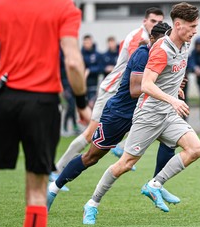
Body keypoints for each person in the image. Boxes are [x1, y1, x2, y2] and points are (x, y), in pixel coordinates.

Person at [0, 0, 90, 227]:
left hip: (4, 99)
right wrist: (80, 103)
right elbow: (74, 63)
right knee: (36, 192)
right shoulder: (63, 4)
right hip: (43, 104)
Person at [82, 2, 200, 225]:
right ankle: (92, 203)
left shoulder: (184, 45)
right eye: (192, 26)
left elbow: (169, 75)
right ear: (178, 25)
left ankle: (154, 185)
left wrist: (175, 87)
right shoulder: (162, 49)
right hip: (148, 114)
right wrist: (172, 99)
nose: (196, 30)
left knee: (196, 149)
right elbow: (146, 85)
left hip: (167, 114)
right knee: (125, 164)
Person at [46, 22, 180, 212]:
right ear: (152, 39)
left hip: (145, 113)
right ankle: (53, 189)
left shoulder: (165, 55)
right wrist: (164, 92)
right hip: (119, 114)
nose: (165, 44)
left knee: (171, 141)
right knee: (91, 157)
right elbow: (135, 90)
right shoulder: (143, 55)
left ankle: (156, 184)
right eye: (162, 40)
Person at [50, 7, 164, 180]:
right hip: (113, 89)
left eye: (159, 22)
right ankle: (57, 170)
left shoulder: (152, 39)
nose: (156, 24)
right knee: (90, 134)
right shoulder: (139, 39)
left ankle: (122, 148)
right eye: (153, 21)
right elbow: (138, 68)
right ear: (145, 21)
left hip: (125, 92)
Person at [60, 50, 80, 137]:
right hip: (65, 87)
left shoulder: (73, 59)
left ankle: (75, 126)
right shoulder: (61, 62)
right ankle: (64, 128)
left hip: (73, 86)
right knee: (71, 105)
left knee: (72, 106)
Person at [81, 34, 103, 109]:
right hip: (82, 84)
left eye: (88, 42)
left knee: (92, 104)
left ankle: (92, 120)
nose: (87, 44)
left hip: (93, 83)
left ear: (91, 42)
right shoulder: (80, 54)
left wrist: (89, 70)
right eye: (85, 42)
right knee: (83, 105)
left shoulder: (97, 55)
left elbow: (101, 68)